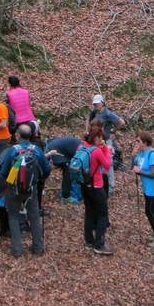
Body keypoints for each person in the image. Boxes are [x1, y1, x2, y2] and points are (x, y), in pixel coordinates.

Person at [0, 123, 50, 258]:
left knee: (14, 216)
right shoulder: (37, 151)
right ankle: (38, 248)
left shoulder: (12, 151)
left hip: (13, 189)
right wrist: (38, 180)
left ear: (18, 135)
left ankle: (17, 250)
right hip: (31, 189)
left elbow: (4, 172)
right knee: (34, 216)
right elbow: (47, 169)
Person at [80, 120, 113, 255]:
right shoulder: (97, 151)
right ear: (97, 138)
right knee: (102, 215)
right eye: (101, 137)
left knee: (89, 211)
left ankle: (88, 240)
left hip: (84, 185)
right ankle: (99, 244)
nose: (102, 139)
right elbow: (107, 165)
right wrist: (106, 149)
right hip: (97, 186)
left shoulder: (81, 147)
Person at [89, 94, 124, 194]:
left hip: (106, 141)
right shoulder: (94, 112)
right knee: (97, 162)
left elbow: (121, 122)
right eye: (94, 104)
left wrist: (113, 130)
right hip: (96, 141)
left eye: (97, 103)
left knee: (108, 164)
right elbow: (89, 120)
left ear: (102, 103)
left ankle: (111, 187)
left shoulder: (108, 114)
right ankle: (101, 184)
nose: (95, 105)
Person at [132, 131, 154, 247]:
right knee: (153, 210)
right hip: (146, 187)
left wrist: (140, 171)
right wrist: (133, 155)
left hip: (153, 187)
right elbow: (132, 166)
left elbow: (153, 173)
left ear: (145, 142)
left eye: (138, 141)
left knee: (149, 211)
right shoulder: (141, 153)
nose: (136, 143)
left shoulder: (151, 154)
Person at [45, 135, 82, 203]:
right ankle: (66, 197)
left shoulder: (81, 145)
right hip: (56, 150)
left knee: (69, 170)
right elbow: (77, 164)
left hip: (53, 146)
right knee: (68, 172)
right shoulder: (82, 150)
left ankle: (65, 191)